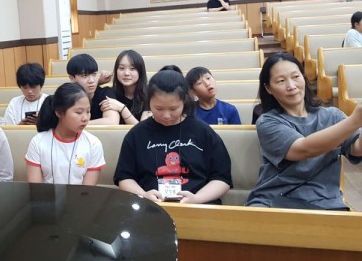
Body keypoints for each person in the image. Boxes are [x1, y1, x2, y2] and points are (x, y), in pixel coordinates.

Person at [245, 53, 362, 210]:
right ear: (268, 88)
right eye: (281, 81)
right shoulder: (267, 122)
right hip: (274, 201)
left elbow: (356, 148)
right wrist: (354, 121)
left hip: (325, 203)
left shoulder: (332, 116)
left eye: (295, 77)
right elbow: (304, 149)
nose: (291, 86)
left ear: (303, 78)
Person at [114, 70, 232, 204]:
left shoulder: (203, 131)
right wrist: (143, 195)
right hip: (149, 206)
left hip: (199, 206)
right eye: (159, 108)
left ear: (184, 102)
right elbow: (124, 177)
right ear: (149, 101)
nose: (166, 116)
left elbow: (222, 178)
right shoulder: (137, 134)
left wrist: (197, 199)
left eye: (173, 109)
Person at [25, 83, 105, 185]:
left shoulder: (93, 144)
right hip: (45, 195)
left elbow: (87, 190)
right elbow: (36, 188)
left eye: (88, 111)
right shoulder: (38, 142)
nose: (85, 118)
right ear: (59, 112)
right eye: (79, 112)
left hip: (81, 195)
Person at [67, 54, 120, 125]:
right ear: (72, 78)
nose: (91, 80)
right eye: (84, 76)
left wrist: (77, 125)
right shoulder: (67, 97)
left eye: (94, 74)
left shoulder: (105, 93)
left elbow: (112, 121)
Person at [100, 50, 149, 125]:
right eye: (122, 68)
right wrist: (99, 82)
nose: (126, 73)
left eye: (132, 68)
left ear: (140, 71)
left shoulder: (150, 94)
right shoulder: (110, 93)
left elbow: (143, 129)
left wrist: (122, 109)